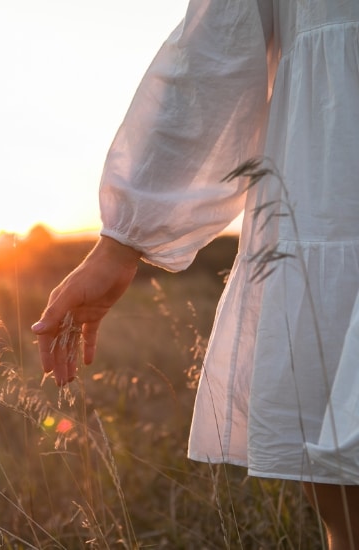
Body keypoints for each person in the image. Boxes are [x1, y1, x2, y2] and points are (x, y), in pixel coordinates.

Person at [31, 1, 359, 548]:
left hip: (325, 184)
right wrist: (120, 244)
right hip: (332, 184)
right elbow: (215, 52)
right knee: (341, 483)